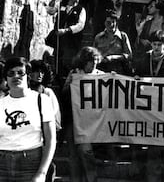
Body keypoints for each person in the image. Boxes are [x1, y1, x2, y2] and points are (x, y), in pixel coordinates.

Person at [0, 57, 56, 181]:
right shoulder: (1, 103)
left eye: (21, 72)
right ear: (6, 78)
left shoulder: (42, 100)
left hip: (31, 163)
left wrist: (42, 173)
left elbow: (51, 139)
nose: (16, 76)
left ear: (28, 76)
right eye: (11, 73)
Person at [135, 30, 164, 182]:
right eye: (154, 44)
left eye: (160, 44)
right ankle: (138, 172)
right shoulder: (144, 58)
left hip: (160, 107)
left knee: (155, 144)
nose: (157, 47)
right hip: (144, 105)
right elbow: (137, 74)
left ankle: (154, 176)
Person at [62, 47, 103, 182]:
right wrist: (71, 84)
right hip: (72, 120)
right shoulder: (74, 74)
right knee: (73, 155)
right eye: (92, 62)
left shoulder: (100, 75)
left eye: (97, 61)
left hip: (89, 122)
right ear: (84, 62)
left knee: (86, 153)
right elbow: (65, 95)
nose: (94, 65)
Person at [50, 0, 86, 78]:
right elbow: (50, 10)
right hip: (59, 39)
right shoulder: (61, 5)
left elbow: (80, 25)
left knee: (68, 61)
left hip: (71, 41)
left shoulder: (81, 9)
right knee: (57, 59)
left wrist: (67, 30)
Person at [93, 9, 133, 75]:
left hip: (119, 71)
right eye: (108, 22)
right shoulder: (98, 37)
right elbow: (93, 55)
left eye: (113, 22)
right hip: (102, 71)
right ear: (104, 23)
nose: (111, 25)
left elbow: (129, 56)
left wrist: (114, 57)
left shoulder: (123, 36)